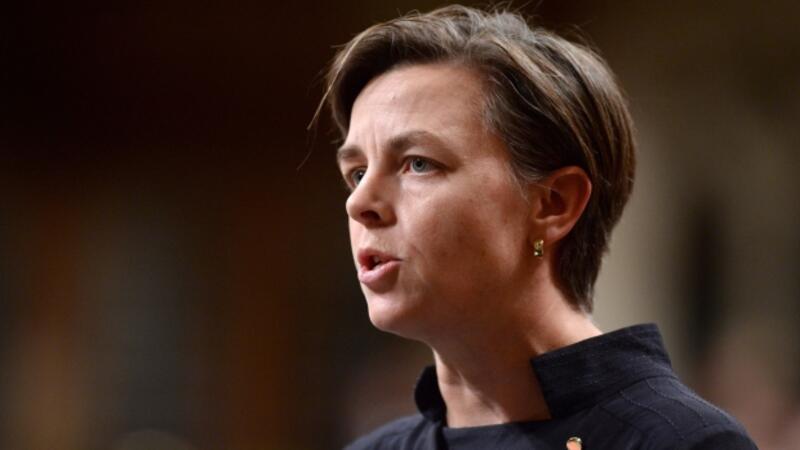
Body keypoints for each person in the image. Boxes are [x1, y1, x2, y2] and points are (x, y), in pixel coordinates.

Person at [318, 5, 757, 449]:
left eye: (418, 164)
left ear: (554, 204)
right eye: (357, 173)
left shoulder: (684, 442)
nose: (359, 203)